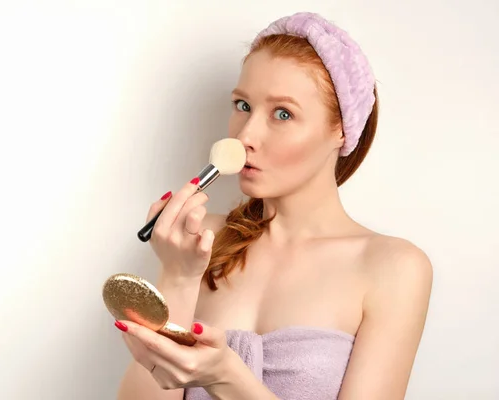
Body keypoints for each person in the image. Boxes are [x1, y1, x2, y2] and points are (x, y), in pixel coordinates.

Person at [114, 11, 433, 400]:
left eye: (283, 114)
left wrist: (229, 380)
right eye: (242, 105)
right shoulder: (197, 241)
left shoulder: (393, 267)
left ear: (342, 130)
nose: (246, 136)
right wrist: (177, 278)